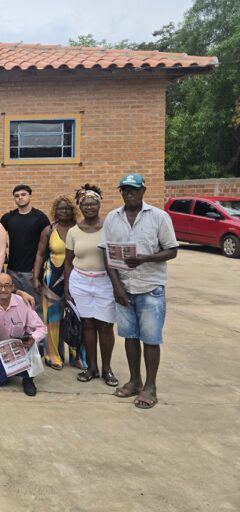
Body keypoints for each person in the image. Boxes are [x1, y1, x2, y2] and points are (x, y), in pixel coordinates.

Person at [100, 173, 178, 409]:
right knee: (130, 337)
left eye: (133, 189)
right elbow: (107, 253)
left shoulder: (158, 217)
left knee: (151, 339)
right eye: (124, 189)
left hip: (150, 288)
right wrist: (117, 287)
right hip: (124, 287)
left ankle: (150, 386)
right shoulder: (113, 218)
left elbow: (172, 250)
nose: (128, 193)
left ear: (143, 190)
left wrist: (147, 258)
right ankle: (135, 380)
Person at [65, 184, 117, 386]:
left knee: (105, 325)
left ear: (99, 205)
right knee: (87, 325)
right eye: (85, 204)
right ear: (80, 206)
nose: (89, 207)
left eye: (93, 203)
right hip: (80, 281)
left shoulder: (109, 228)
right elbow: (68, 262)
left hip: (105, 281)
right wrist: (67, 286)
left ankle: (107, 368)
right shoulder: (73, 232)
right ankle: (92, 367)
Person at [33, 195, 83, 370]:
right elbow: (40, 254)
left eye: (67, 209)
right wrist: (35, 276)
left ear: (73, 211)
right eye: (60, 209)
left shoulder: (80, 229)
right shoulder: (49, 230)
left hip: (77, 278)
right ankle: (52, 354)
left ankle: (77, 356)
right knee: (52, 318)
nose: (64, 211)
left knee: (76, 317)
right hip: (52, 278)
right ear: (55, 211)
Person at [0, 273, 47, 396]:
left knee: (37, 346)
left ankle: (27, 379)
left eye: (7, 286)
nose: (3, 289)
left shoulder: (23, 302)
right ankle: (14, 369)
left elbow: (42, 328)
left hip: (22, 344)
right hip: (0, 346)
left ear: (12, 287)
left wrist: (33, 338)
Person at [0, 184, 50, 307]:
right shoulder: (8, 218)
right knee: (15, 305)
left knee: (35, 305)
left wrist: (37, 275)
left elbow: (44, 248)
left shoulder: (40, 218)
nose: (20, 198)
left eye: (23, 195)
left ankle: (37, 327)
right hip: (12, 270)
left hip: (31, 271)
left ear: (29, 196)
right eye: (16, 196)